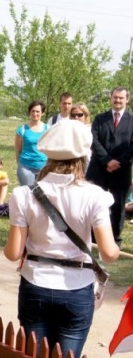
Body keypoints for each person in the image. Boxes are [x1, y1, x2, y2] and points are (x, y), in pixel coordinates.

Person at [4, 120, 119, 358]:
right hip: (76, 289)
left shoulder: (24, 194)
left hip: (35, 285)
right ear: (84, 157)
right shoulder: (94, 196)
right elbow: (109, 253)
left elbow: (13, 253)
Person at [86, 86, 133, 248]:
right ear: (111, 98)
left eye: (121, 98)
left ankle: (114, 240)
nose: (117, 100)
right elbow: (93, 140)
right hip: (99, 169)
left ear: (127, 99)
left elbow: (132, 146)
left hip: (122, 171)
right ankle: (92, 239)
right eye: (115, 97)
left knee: (118, 207)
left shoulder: (132, 121)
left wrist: (118, 161)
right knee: (94, 204)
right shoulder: (100, 118)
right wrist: (107, 160)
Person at [15, 100, 48, 187]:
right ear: (29, 112)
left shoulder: (48, 129)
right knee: (28, 194)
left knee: (42, 195)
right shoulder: (22, 129)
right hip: (26, 167)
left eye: (37, 111)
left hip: (44, 167)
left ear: (42, 113)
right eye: (32, 111)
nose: (35, 113)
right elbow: (18, 149)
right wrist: (19, 164)